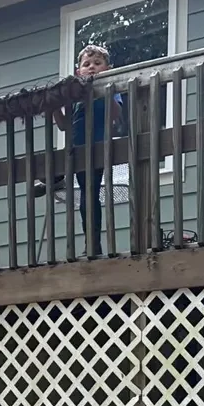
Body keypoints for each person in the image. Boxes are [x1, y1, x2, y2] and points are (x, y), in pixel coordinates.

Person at [55, 43, 124, 257]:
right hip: (75, 149)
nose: (92, 67)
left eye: (97, 63)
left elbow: (115, 116)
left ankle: (93, 243)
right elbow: (64, 125)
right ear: (78, 72)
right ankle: (55, 179)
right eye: (86, 64)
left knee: (89, 192)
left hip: (96, 149)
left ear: (108, 68)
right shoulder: (73, 97)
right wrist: (54, 106)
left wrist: (101, 93)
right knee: (53, 168)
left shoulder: (110, 89)